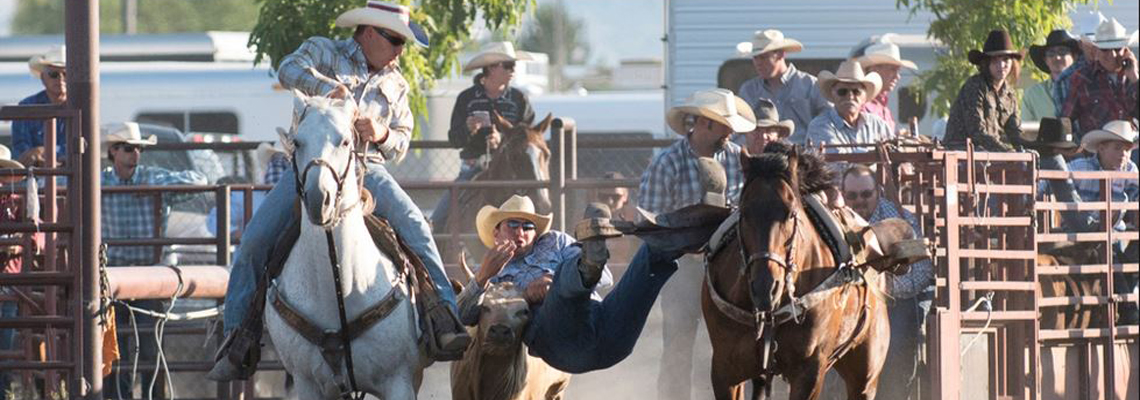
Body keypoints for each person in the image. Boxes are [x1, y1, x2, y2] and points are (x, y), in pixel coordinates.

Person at [209, 1, 465, 380]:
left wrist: (379, 133)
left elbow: (400, 142)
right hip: (311, 166)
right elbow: (288, 68)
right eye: (395, 39)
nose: (400, 50)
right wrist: (334, 92)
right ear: (369, 33)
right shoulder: (323, 50)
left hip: (365, 168)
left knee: (415, 223)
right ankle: (237, 336)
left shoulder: (396, 83)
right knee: (254, 240)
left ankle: (443, 315)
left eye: (403, 43)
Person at [641, 89, 754, 400]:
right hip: (684, 268)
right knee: (679, 346)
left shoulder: (735, 158)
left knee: (736, 346)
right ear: (705, 124)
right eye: (725, 126)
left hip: (729, 270)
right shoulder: (667, 163)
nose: (731, 133)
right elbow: (652, 222)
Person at [100, 122, 207, 397]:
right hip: (117, 274)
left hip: (143, 273)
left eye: (138, 149)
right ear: (113, 152)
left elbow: (199, 181)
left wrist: (155, 187)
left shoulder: (150, 177)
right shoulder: (101, 181)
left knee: (149, 345)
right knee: (118, 346)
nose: (135, 154)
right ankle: (123, 396)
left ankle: (151, 395)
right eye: (128, 148)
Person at [841, 164, 935, 399]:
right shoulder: (837, 222)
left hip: (895, 301)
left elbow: (921, 271)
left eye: (866, 194)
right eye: (852, 195)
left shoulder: (900, 221)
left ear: (878, 192)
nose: (859, 201)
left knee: (899, 341)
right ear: (843, 196)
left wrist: (880, 288)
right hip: (849, 304)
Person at [432, 41, 536, 229]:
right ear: (492, 68)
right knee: (439, 219)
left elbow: (528, 138)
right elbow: (455, 140)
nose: (513, 70)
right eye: (508, 65)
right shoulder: (466, 98)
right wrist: (468, 129)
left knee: (538, 207)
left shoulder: (519, 100)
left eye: (513, 65)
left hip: (513, 172)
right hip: (473, 167)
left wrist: (502, 141)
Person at [1070, 120, 1139, 325]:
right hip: (1084, 235)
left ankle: (1126, 306)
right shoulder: (1080, 167)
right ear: (1101, 148)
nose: (1124, 155)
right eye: (1118, 148)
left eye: (1127, 150)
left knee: (1118, 252)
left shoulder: (1129, 170)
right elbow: (1048, 183)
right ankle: (1128, 310)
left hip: (1115, 235)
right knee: (1111, 253)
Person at [737, 29, 830, 144]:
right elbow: (740, 130)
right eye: (755, 58)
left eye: (764, 57)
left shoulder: (810, 85)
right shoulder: (748, 90)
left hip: (802, 154)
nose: (758, 63)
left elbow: (829, 121)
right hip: (762, 156)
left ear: (781, 54)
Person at [944, 29, 1024, 152]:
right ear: (986, 63)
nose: (1001, 65)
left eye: (1005, 60)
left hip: (989, 154)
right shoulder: (975, 86)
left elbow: (1015, 133)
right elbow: (976, 132)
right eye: (995, 60)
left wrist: (1025, 149)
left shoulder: (1010, 94)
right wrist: (1007, 151)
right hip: (961, 151)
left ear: (1012, 63)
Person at [1060, 18, 1139, 140]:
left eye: (1117, 49)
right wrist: (1069, 146)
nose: (1112, 55)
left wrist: (1135, 79)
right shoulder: (1082, 77)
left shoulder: (1135, 75)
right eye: (1105, 49)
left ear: (1126, 50)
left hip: (1133, 146)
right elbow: (1066, 119)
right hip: (1097, 151)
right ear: (1096, 51)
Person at [0, 145, 37, 393]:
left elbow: (36, 236)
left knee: (5, 347)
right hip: (10, 280)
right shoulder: (18, 199)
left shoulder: (18, 199)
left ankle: (3, 392)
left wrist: (19, 243)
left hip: (10, 281)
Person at [806, 60, 894, 153]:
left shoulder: (877, 124)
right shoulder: (819, 125)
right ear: (833, 95)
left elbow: (895, 152)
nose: (850, 96)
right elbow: (837, 163)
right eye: (842, 92)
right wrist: (873, 155)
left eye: (856, 92)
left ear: (864, 97)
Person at [12, 46, 67, 160]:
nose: (61, 79)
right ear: (43, 77)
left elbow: (86, 145)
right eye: (54, 74)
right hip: (36, 174)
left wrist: (43, 151)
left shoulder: (82, 105)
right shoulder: (26, 106)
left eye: (66, 74)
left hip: (74, 176)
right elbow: (20, 148)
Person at [855, 37, 919, 131]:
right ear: (874, 70)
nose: (897, 76)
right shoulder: (860, 104)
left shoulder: (884, 108)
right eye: (893, 70)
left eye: (898, 71)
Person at [1053, 11, 1107, 110]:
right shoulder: (1066, 79)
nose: (1095, 48)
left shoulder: (1122, 70)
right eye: (1090, 44)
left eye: (1100, 43)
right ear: (1080, 45)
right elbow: (1066, 122)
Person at [1023, 30, 1080, 121]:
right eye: (1051, 53)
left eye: (1062, 51)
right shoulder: (1033, 94)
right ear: (1045, 60)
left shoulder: (1085, 88)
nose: (1057, 57)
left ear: (1074, 57)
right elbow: (1027, 131)